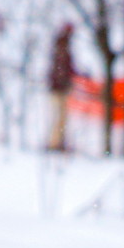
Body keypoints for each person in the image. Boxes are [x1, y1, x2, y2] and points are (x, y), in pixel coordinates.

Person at [47, 22, 78, 151]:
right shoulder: (62, 50)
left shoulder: (61, 49)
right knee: (60, 117)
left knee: (62, 117)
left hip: (59, 87)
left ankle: (58, 142)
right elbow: (61, 70)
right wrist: (65, 81)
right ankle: (55, 144)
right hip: (58, 88)